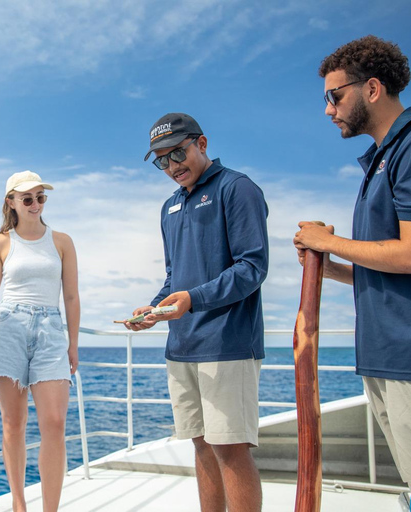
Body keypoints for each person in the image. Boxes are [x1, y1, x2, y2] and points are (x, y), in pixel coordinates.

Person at [294, 35, 411, 492]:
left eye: (334, 96)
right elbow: (385, 264)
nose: (328, 110)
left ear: (373, 89)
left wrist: (332, 240)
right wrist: (325, 263)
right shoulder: (382, 160)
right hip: (386, 356)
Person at [125, 113, 268, 512]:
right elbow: (175, 277)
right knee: (202, 446)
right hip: (183, 345)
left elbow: (252, 268)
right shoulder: (169, 206)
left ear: (201, 144)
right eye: (161, 161)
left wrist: (192, 299)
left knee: (230, 450)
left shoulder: (237, 188)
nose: (172, 167)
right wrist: (155, 308)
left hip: (228, 343)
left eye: (178, 153)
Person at [0, 170, 79, 512]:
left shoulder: (62, 241)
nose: (35, 204)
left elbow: (71, 298)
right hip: (9, 329)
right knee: (13, 423)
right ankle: (19, 504)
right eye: (27, 198)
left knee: (55, 423)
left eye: (40, 197)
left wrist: (72, 344)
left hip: (50, 332)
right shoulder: (1, 241)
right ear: (11, 202)